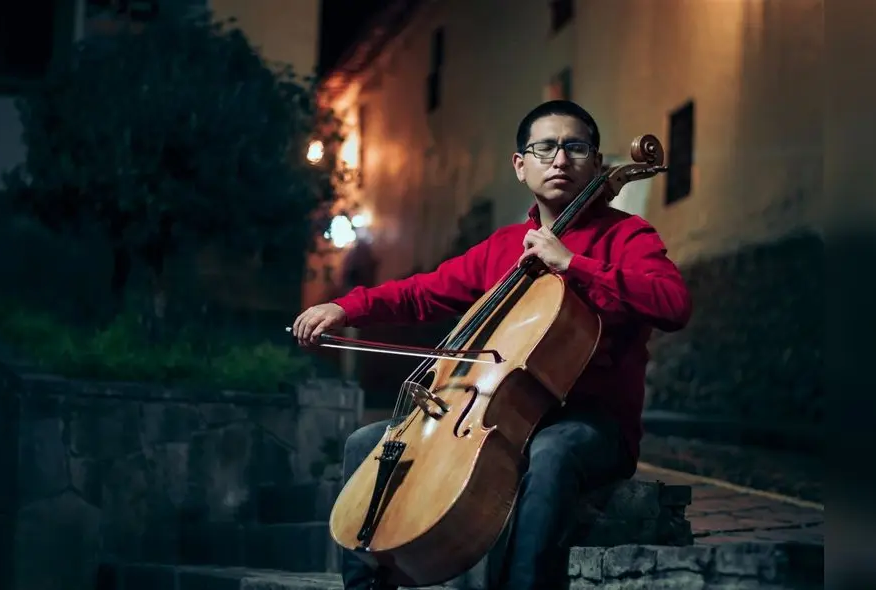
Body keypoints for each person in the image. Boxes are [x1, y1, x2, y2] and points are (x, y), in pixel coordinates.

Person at [291, 100, 692, 590]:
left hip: (590, 426)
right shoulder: (503, 247)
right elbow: (421, 292)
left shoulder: (627, 235)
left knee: (551, 451)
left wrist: (571, 263)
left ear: (595, 161)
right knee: (366, 444)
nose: (560, 160)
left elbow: (674, 304)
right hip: (493, 419)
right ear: (521, 165)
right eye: (545, 148)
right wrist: (346, 309)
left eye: (575, 147)